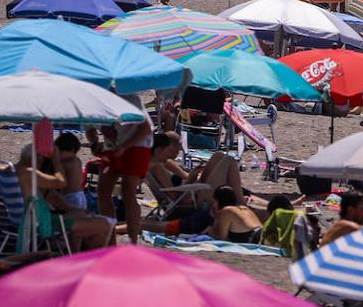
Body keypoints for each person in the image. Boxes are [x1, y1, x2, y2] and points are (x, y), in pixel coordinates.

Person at [86, 93, 153, 244]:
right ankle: (110, 241)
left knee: (128, 191)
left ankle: (132, 241)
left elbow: (146, 129)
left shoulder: (128, 98)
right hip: (113, 145)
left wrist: (125, 147)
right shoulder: (89, 100)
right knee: (103, 192)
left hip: (137, 144)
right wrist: (94, 143)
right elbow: (89, 128)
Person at [147, 130, 245, 203]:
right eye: (169, 150)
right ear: (158, 150)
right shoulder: (157, 167)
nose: (174, 154)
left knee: (218, 155)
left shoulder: (161, 162)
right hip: (193, 199)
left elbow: (183, 180)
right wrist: (191, 179)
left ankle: (237, 195)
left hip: (192, 190)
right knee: (228, 160)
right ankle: (241, 202)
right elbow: (176, 198)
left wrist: (193, 177)